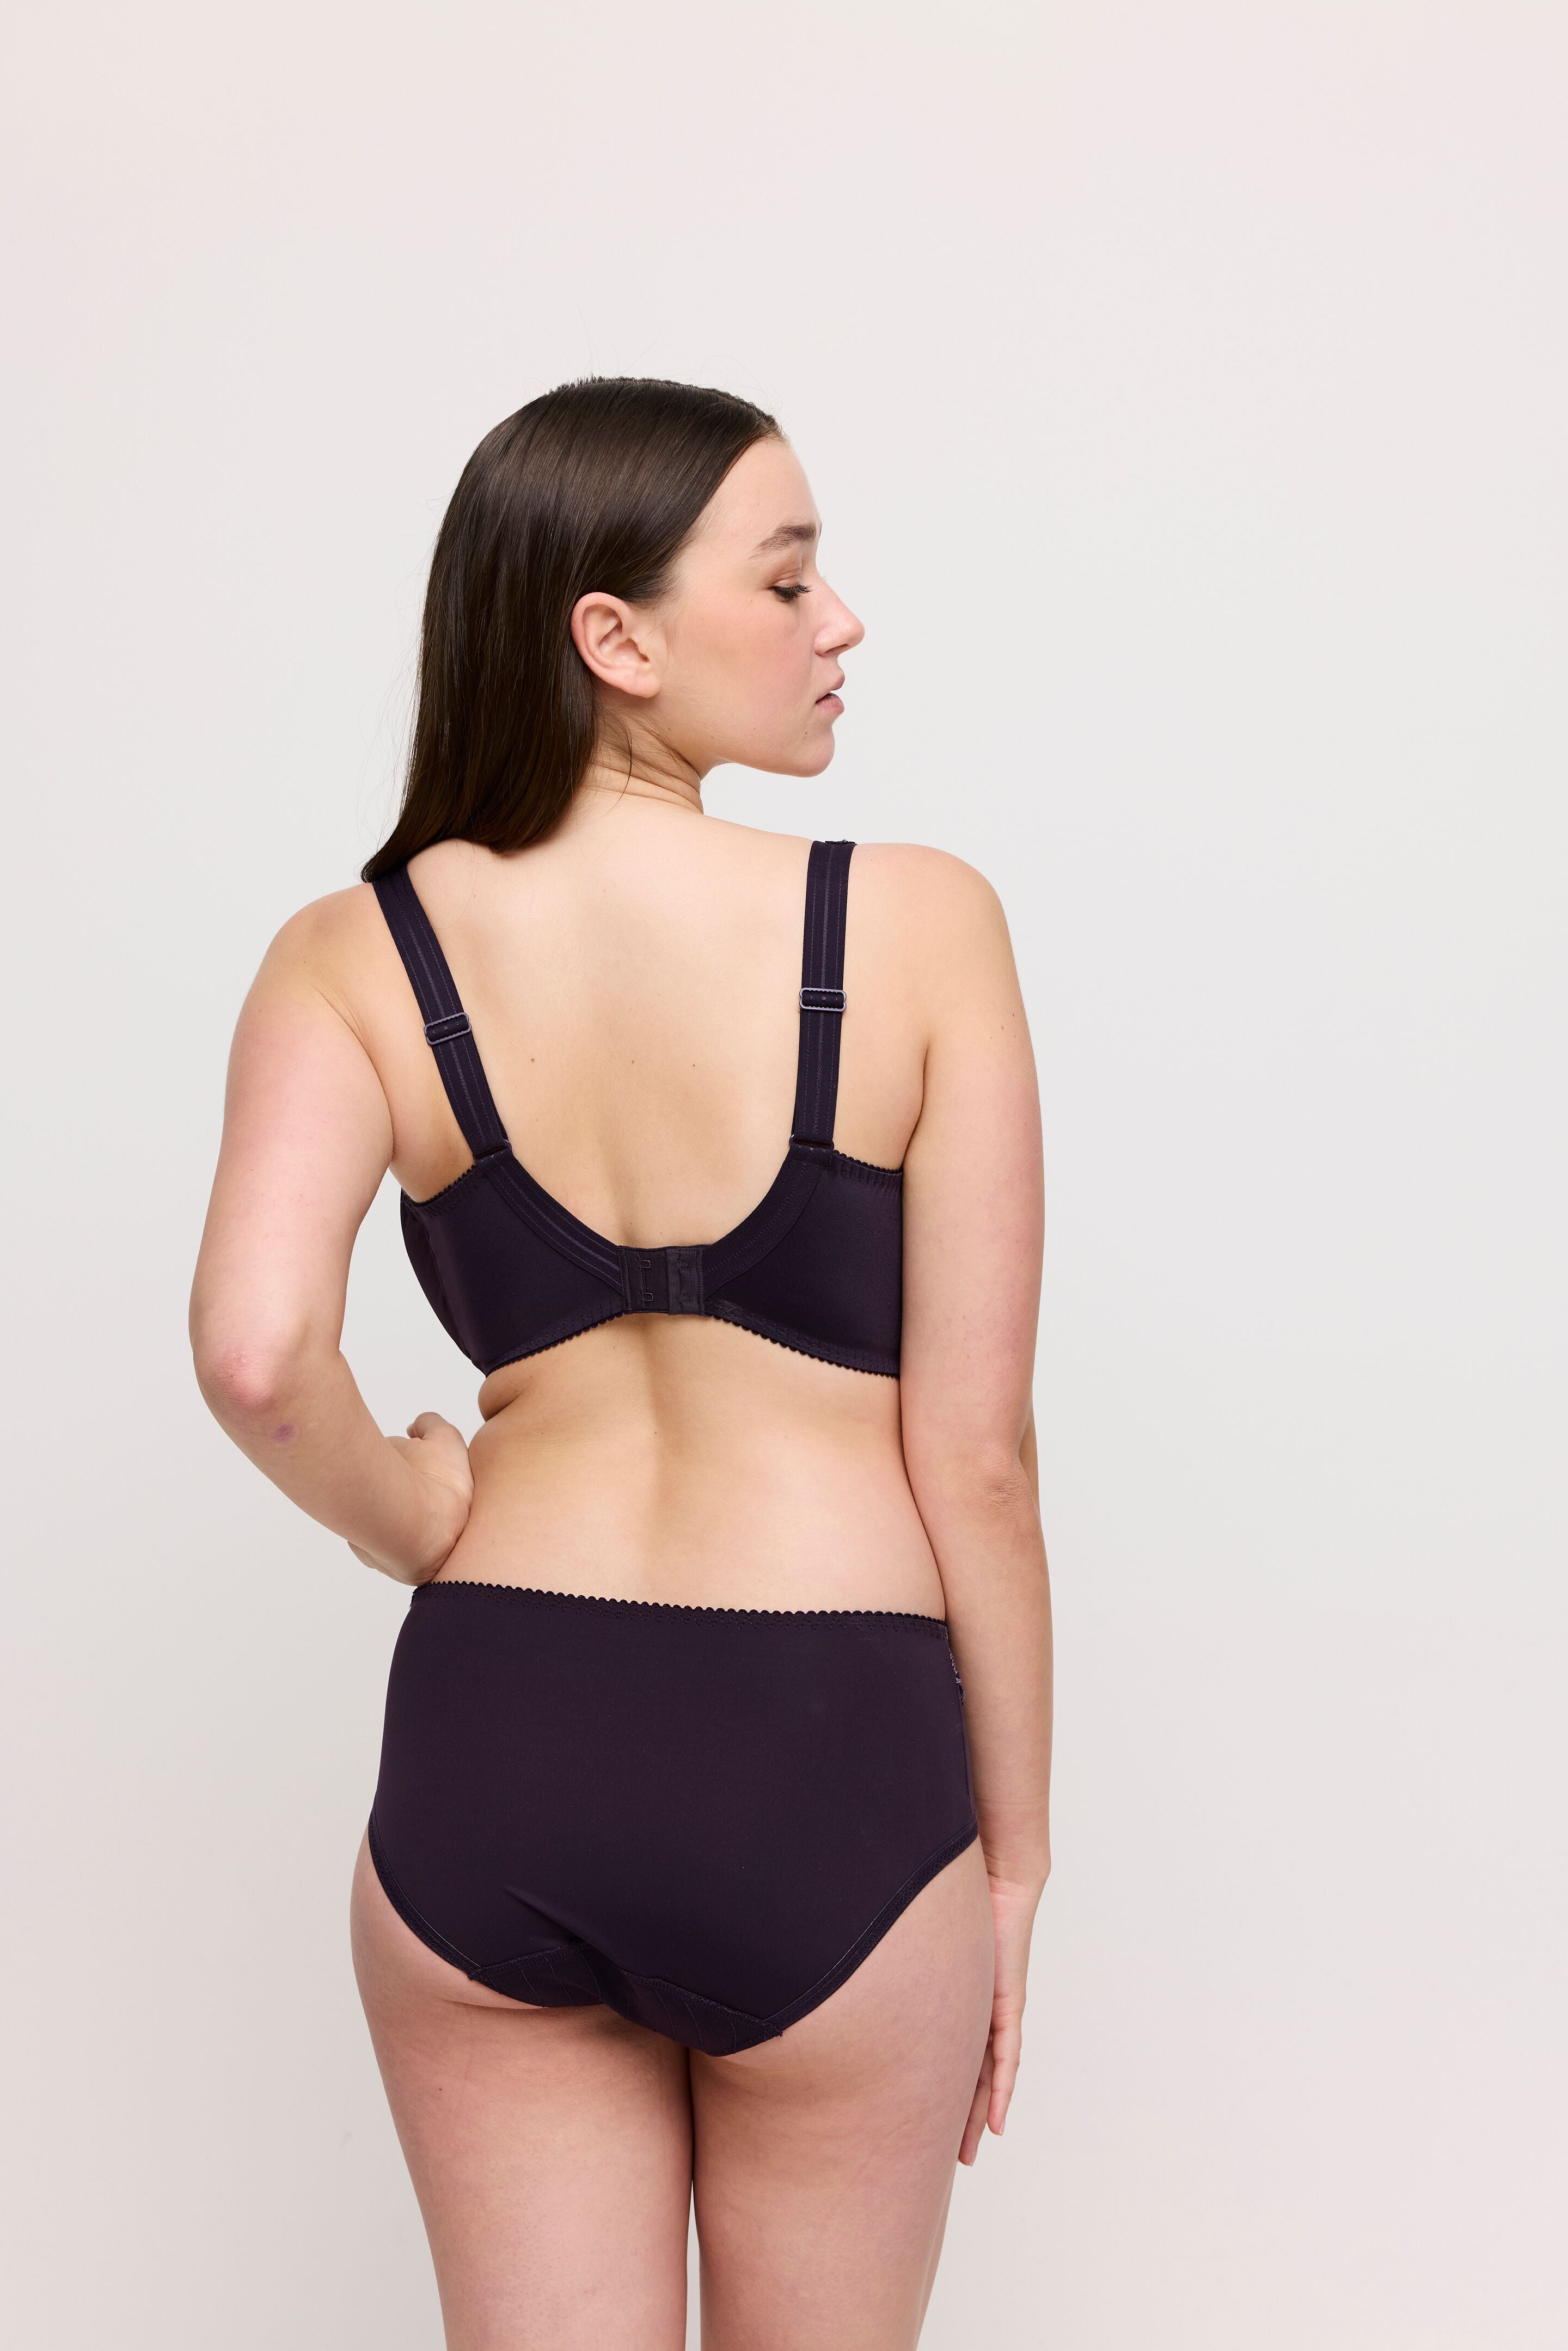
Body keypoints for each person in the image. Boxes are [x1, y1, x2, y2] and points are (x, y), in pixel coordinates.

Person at [191, 376, 1051, 2350]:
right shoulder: (920, 926)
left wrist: (410, 1515)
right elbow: (981, 1459)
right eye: (790, 577)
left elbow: (254, 1351)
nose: (840, 620)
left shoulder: (353, 953)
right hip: (830, 1764)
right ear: (617, 637)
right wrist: (1011, 1865)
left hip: (496, 1746)